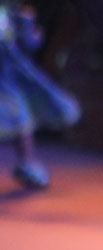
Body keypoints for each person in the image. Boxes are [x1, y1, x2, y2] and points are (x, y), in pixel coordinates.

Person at [0, 1, 79, 189]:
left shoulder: (12, 10)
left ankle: (27, 164)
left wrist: (29, 27)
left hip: (7, 78)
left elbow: (28, 42)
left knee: (20, 119)